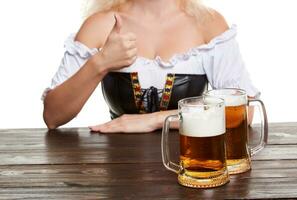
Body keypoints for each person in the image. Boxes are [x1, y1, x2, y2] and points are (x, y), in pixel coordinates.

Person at [42, 0, 259, 133]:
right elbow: (53, 116)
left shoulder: (208, 23)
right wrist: (101, 62)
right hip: (118, 171)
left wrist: (154, 121)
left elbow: (243, 113)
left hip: (191, 166)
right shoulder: (101, 24)